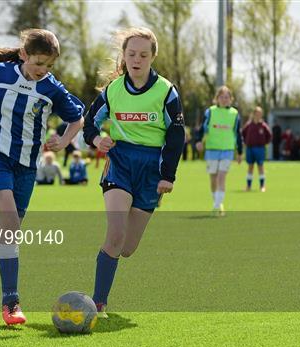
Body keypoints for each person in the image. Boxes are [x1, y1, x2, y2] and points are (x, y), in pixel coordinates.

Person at [0, 28, 84, 325]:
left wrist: (63, 139)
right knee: (10, 224)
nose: (42, 71)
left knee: (9, 229)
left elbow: (77, 118)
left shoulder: (51, 89)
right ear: (23, 55)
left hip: (27, 166)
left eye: (48, 66)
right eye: (37, 64)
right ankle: (11, 302)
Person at [83, 27, 185, 317]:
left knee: (127, 248)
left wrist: (168, 175)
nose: (136, 59)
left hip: (152, 170)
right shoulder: (112, 91)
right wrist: (97, 140)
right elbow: (89, 124)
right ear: (124, 57)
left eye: (143, 54)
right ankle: (98, 303)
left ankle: (104, 283)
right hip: (120, 163)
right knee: (115, 236)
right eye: (131, 54)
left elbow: (176, 135)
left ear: (153, 57)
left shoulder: (166, 91)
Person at [195, 86, 243, 216]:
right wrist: (198, 141)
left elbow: (238, 133)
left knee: (222, 177)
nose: (224, 99)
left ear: (231, 99)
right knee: (213, 179)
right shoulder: (210, 112)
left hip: (227, 150)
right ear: (217, 98)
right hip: (211, 149)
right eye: (221, 97)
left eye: (227, 97)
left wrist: (239, 152)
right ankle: (217, 202)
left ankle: (217, 206)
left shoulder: (235, 114)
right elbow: (201, 128)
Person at [242, 106, 271, 192]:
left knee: (260, 166)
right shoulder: (249, 125)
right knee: (250, 167)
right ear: (254, 114)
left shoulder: (263, 126)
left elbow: (269, 136)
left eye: (260, 114)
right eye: (257, 113)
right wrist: (245, 142)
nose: (258, 115)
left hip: (260, 149)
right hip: (250, 148)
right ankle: (248, 186)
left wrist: (264, 143)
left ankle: (262, 186)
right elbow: (243, 133)